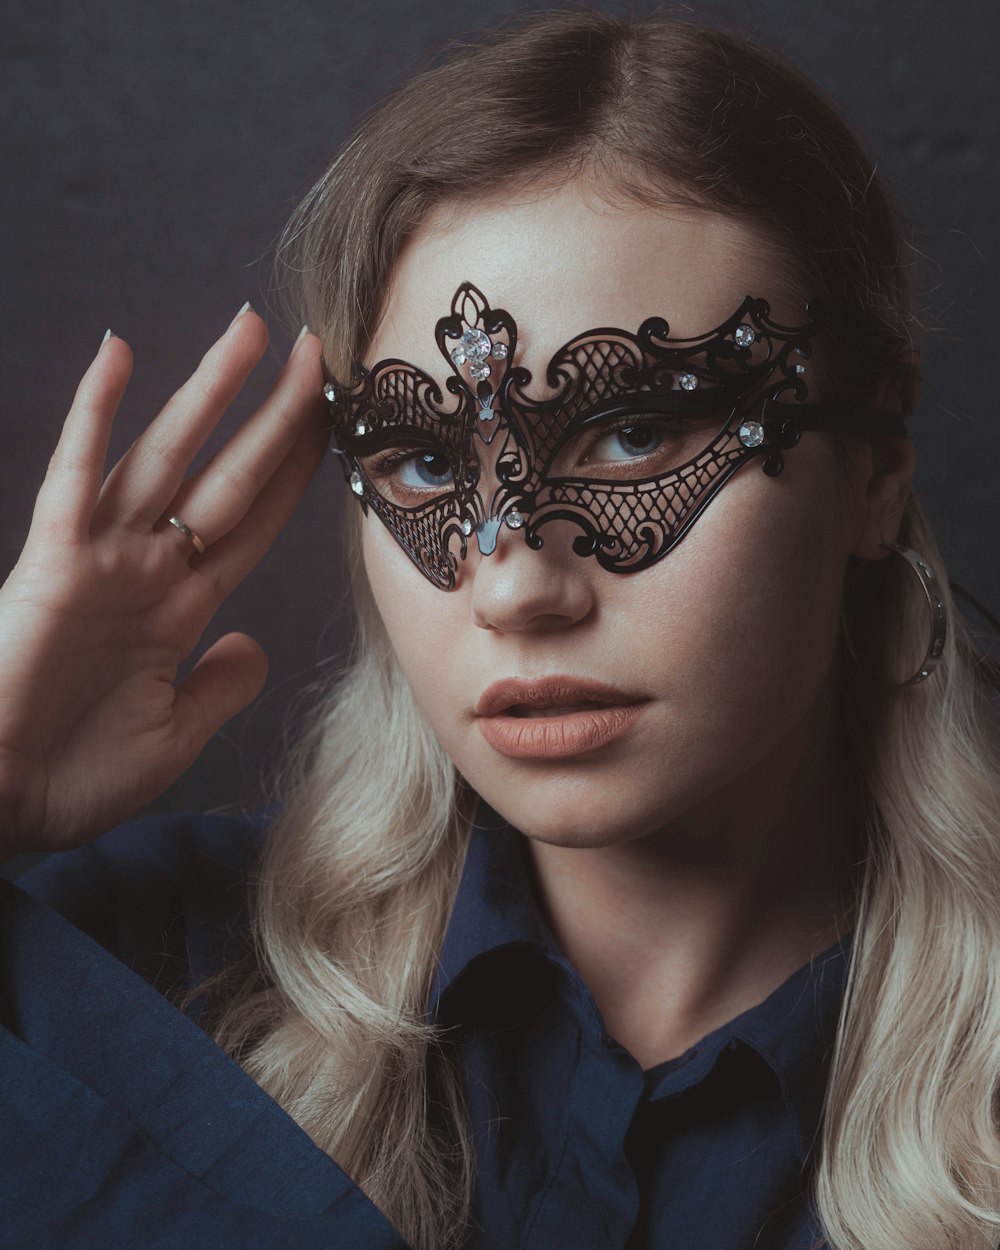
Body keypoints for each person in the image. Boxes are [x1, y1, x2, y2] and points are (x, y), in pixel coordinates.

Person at [2, 10, 999, 1250]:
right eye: (421, 457)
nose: (515, 587)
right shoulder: (158, 972)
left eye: (635, 433)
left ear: (877, 465)